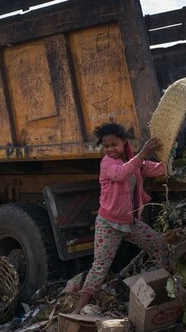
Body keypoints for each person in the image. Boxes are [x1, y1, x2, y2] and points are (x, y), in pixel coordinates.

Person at [72, 123, 170, 313]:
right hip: (108, 224)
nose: (110, 149)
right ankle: (79, 308)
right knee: (100, 267)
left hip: (131, 223)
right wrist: (142, 154)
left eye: (114, 144)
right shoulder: (107, 163)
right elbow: (121, 174)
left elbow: (154, 169)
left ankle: (167, 286)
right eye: (106, 146)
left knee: (159, 246)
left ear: (124, 141)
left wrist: (173, 163)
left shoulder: (133, 161)